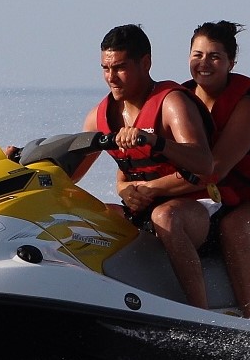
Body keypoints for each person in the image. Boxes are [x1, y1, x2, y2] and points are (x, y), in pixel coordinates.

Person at [121, 21, 250, 318]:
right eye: (197, 55)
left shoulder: (246, 107)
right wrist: (128, 191)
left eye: (214, 56)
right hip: (221, 205)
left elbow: (213, 172)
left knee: (235, 229)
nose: (204, 64)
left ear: (231, 62)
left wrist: (149, 190)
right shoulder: (179, 102)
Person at [77, 24, 215, 307]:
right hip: (140, 211)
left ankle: (200, 314)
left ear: (146, 62)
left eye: (120, 68)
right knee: (84, 219)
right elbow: (71, 173)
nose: (111, 78)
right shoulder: (98, 117)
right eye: (105, 68)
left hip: (197, 212)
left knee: (165, 216)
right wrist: (20, 161)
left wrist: (155, 142)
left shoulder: (171, 103)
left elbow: (204, 165)